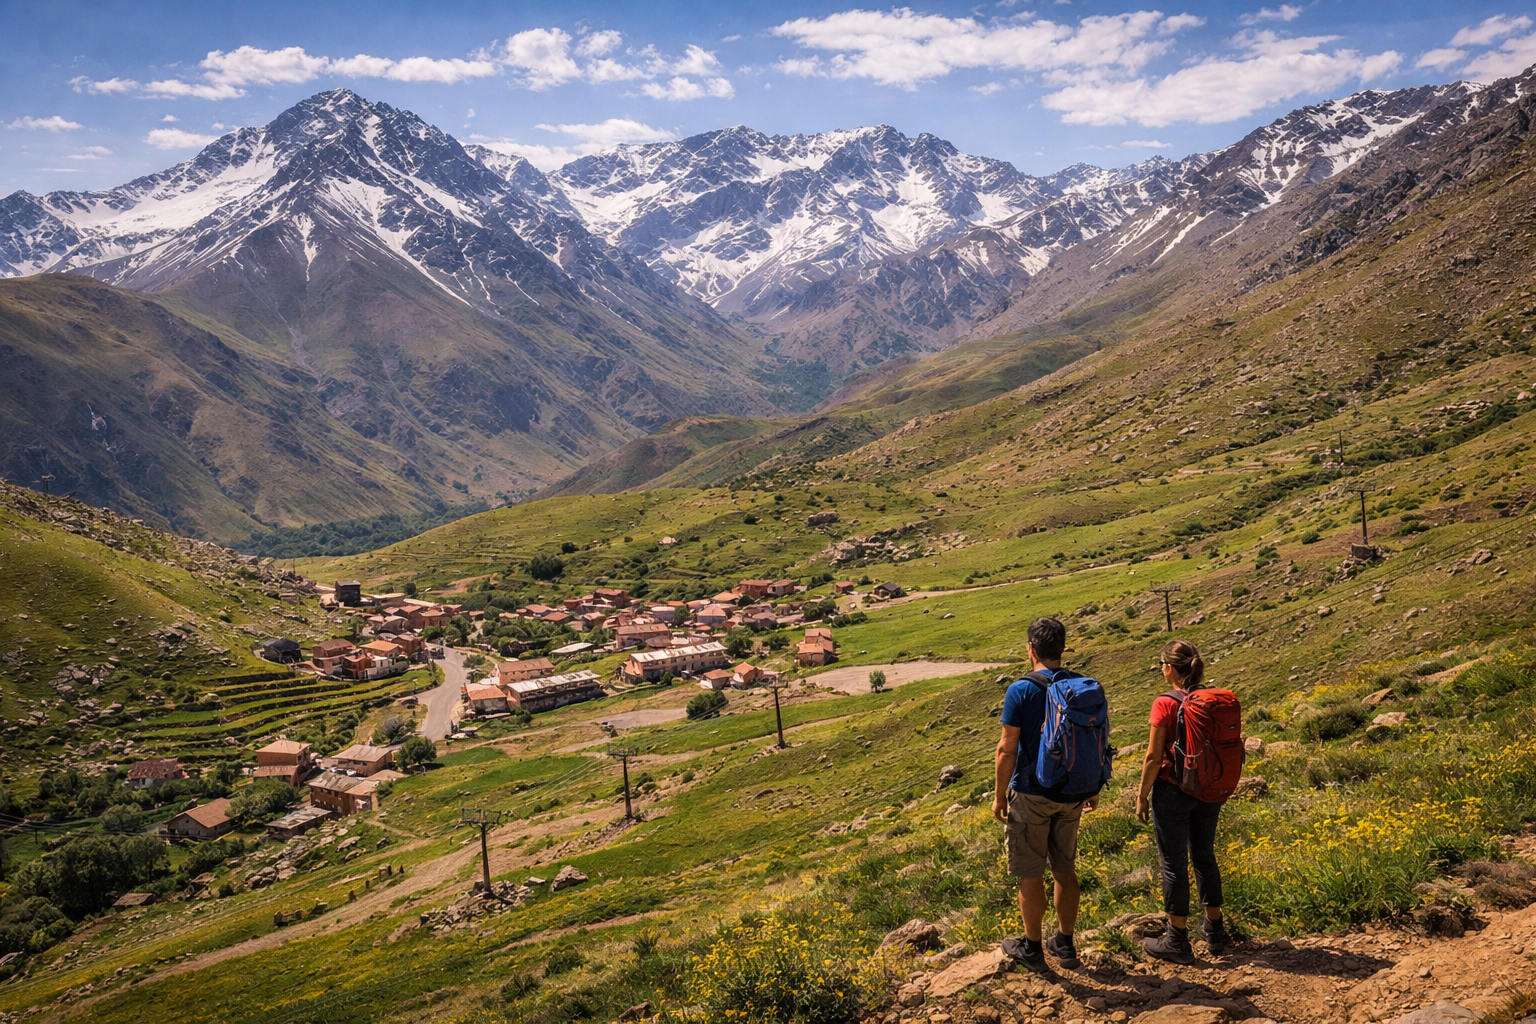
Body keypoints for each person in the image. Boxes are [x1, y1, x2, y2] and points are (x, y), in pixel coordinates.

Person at [992, 617, 1102, 971]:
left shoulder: (1020, 690)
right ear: (1062, 649)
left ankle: (1033, 948)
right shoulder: (1081, 686)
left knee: (1031, 873)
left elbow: (1007, 749)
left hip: (1031, 794)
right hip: (1073, 792)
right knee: (1065, 870)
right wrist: (1093, 784)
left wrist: (998, 796)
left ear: (1031, 650)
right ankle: (1066, 945)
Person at [1135, 638, 1230, 963]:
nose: (1161, 669)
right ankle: (1214, 930)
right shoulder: (1208, 699)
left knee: (1173, 863)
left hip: (1173, 790)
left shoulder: (1165, 703)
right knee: (1204, 855)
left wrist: (1141, 796)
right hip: (1207, 788)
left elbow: (1152, 755)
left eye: (1163, 664)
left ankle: (1176, 939)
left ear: (1170, 669)